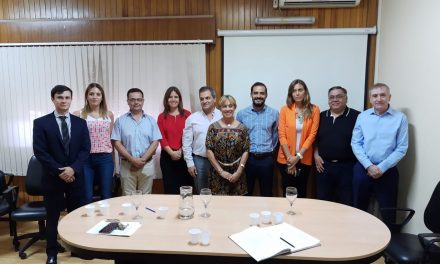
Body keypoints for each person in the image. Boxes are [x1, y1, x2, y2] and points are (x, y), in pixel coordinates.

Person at [33, 85, 91, 264]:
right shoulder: (41, 123)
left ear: (71, 99)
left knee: (75, 215)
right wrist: (60, 171)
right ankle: (52, 252)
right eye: (60, 97)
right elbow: (40, 152)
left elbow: (85, 149)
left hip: (76, 177)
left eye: (67, 97)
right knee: (52, 216)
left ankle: (76, 249)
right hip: (53, 178)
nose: (64, 101)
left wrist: (73, 169)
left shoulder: (81, 123)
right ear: (53, 99)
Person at [351, 83, 408, 224]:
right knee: (358, 209)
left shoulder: (400, 118)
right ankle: (358, 242)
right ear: (370, 99)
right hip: (363, 169)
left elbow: (402, 147)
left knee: (388, 213)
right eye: (375, 95)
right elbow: (356, 143)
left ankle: (389, 244)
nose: (379, 99)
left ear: (389, 97)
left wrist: (381, 168)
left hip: (387, 171)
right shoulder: (362, 117)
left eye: (383, 95)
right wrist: (369, 166)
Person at [314, 86, 360, 205]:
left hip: (347, 167)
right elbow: (313, 139)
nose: (335, 100)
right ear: (328, 100)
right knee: (323, 202)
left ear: (346, 99)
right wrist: (315, 154)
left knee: (346, 203)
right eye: (331, 97)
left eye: (339, 96)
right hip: (323, 167)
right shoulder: (320, 116)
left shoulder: (357, 117)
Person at [111, 88, 162, 195]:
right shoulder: (120, 121)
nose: (136, 102)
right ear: (128, 102)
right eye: (133, 99)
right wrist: (132, 160)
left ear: (143, 101)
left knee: (146, 196)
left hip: (147, 165)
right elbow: (116, 143)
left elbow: (156, 142)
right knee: (127, 198)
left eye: (139, 99)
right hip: (127, 165)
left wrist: (141, 161)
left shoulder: (151, 120)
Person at [277, 79, 320, 198]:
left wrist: (298, 157)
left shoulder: (314, 109)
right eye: (294, 91)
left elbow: (312, 135)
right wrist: (290, 159)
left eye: (300, 90)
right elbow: (281, 135)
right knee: (287, 190)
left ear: (305, 92)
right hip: (286, 158)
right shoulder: (285, 109)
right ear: (290, 94)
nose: (297, 93)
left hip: (304, 158)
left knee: (301, 191)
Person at [73, 83, 114, 204]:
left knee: (106, 194)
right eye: (91, 94)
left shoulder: (109, 114)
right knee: (86, 195)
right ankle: (87, 222)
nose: (94, 97)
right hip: (85, 159)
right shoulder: (78, 114)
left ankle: (106, 222)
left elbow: (110, 139)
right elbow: (75, 141)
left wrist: (114, 162)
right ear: (86, 96)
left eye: (98, 94)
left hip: (105, 159)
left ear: (102, 97)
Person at [237, 82, 279, 197]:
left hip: (267, 160)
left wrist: (270, 151)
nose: (258, 96)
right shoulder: (241, 114)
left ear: (266, 95)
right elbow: (239, 138)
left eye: (262, 93)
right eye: (255, 93)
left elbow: (276, 136)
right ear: (251, 94)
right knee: (246, 193)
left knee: (267, 193)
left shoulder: (274, 114)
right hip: (247, 160)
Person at [206, 95, 250, 195]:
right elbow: (209, 150)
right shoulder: (213, 127)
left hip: (237, 173)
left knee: (237, 206)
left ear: (234, 107)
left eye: (230, 106)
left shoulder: (242, 128)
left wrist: (239, 172)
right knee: (218, 206)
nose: (227, 109)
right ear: (220, 108)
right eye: (224, 106)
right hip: (217, 173)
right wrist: (221, 172)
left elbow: (246, 150)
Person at [182, 86, 222, 193]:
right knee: (202, 192)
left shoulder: (223, 115)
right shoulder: (192, 118)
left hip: (220, 161)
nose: (204, 101)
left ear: (214, 99)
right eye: (202, 99)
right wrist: (190, 163)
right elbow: (186, 143)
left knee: (219, 192)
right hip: (200, 161)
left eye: (207, 98)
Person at [157, 86, 192, 194]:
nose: (173, 99)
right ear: (166, 99)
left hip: (185, 155)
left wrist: (181, 150)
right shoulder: (162, 116)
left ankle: (186, 210)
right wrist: (171, 152)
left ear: (180, 99)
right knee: (170, 189)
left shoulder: (188, 114)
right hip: (167, 157)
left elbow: (190, 135)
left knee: (186, 188)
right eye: (170, 97)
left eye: (176, 97)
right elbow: (161, 137)